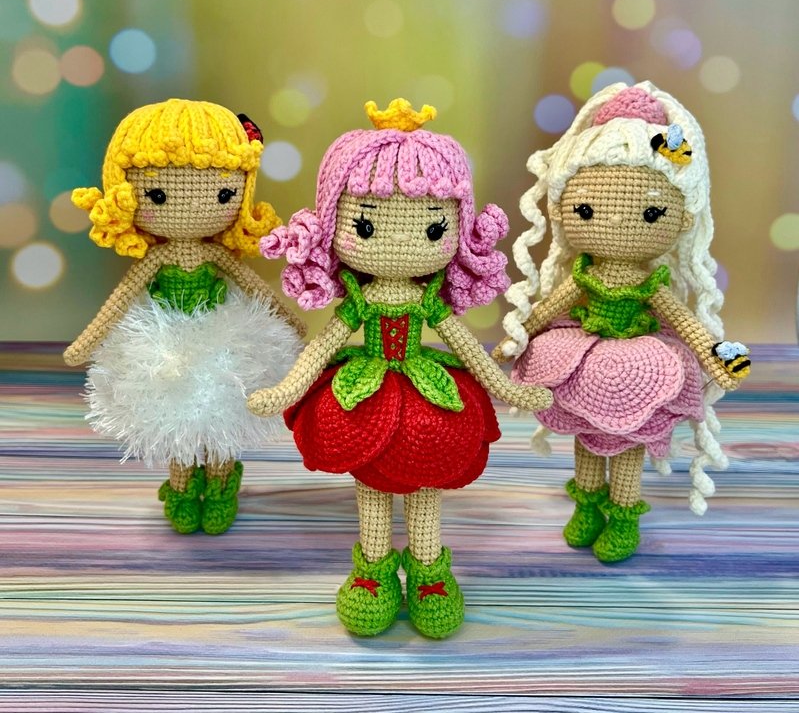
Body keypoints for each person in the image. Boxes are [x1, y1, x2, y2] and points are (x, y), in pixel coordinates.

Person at [248, 98, 551, 638]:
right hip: (364, 392)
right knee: (370, 486)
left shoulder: (428, 302)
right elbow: (321, 347)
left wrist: (507, 388)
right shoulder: (360, 303)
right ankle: (374, 571)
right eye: (366, 225)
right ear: (333, 222)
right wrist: (286, 389)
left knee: (427, 479)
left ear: (458, 227)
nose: (402, 242)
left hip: (424, 391)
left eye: (433, 229)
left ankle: (430, 572)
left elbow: (467, 348)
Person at [496, 82, 749, 563]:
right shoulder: (583, 276)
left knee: (629, 440)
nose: (614, 224)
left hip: (639, 363)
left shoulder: (651, 284)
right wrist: (518, 335)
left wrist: (716, 354)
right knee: (588, 440)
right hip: (583, 357)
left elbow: (684, 321)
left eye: (651, 212)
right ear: (564, 209)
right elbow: (548, 308)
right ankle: (588, 506)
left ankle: (624, 515)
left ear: (680, 218)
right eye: (588, 210)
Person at [64, 99, 305, 535]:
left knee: (224, 416)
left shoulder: (217, 256)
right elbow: (121, 298)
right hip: (165, 351)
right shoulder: (157, 260)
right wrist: (88, 341)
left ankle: (220, 486)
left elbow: (254, 287)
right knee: (177, 423)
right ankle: (181, 489)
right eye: (158, 195)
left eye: (223, 195)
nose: (192, 206)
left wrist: (289, 319)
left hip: (223, 344)